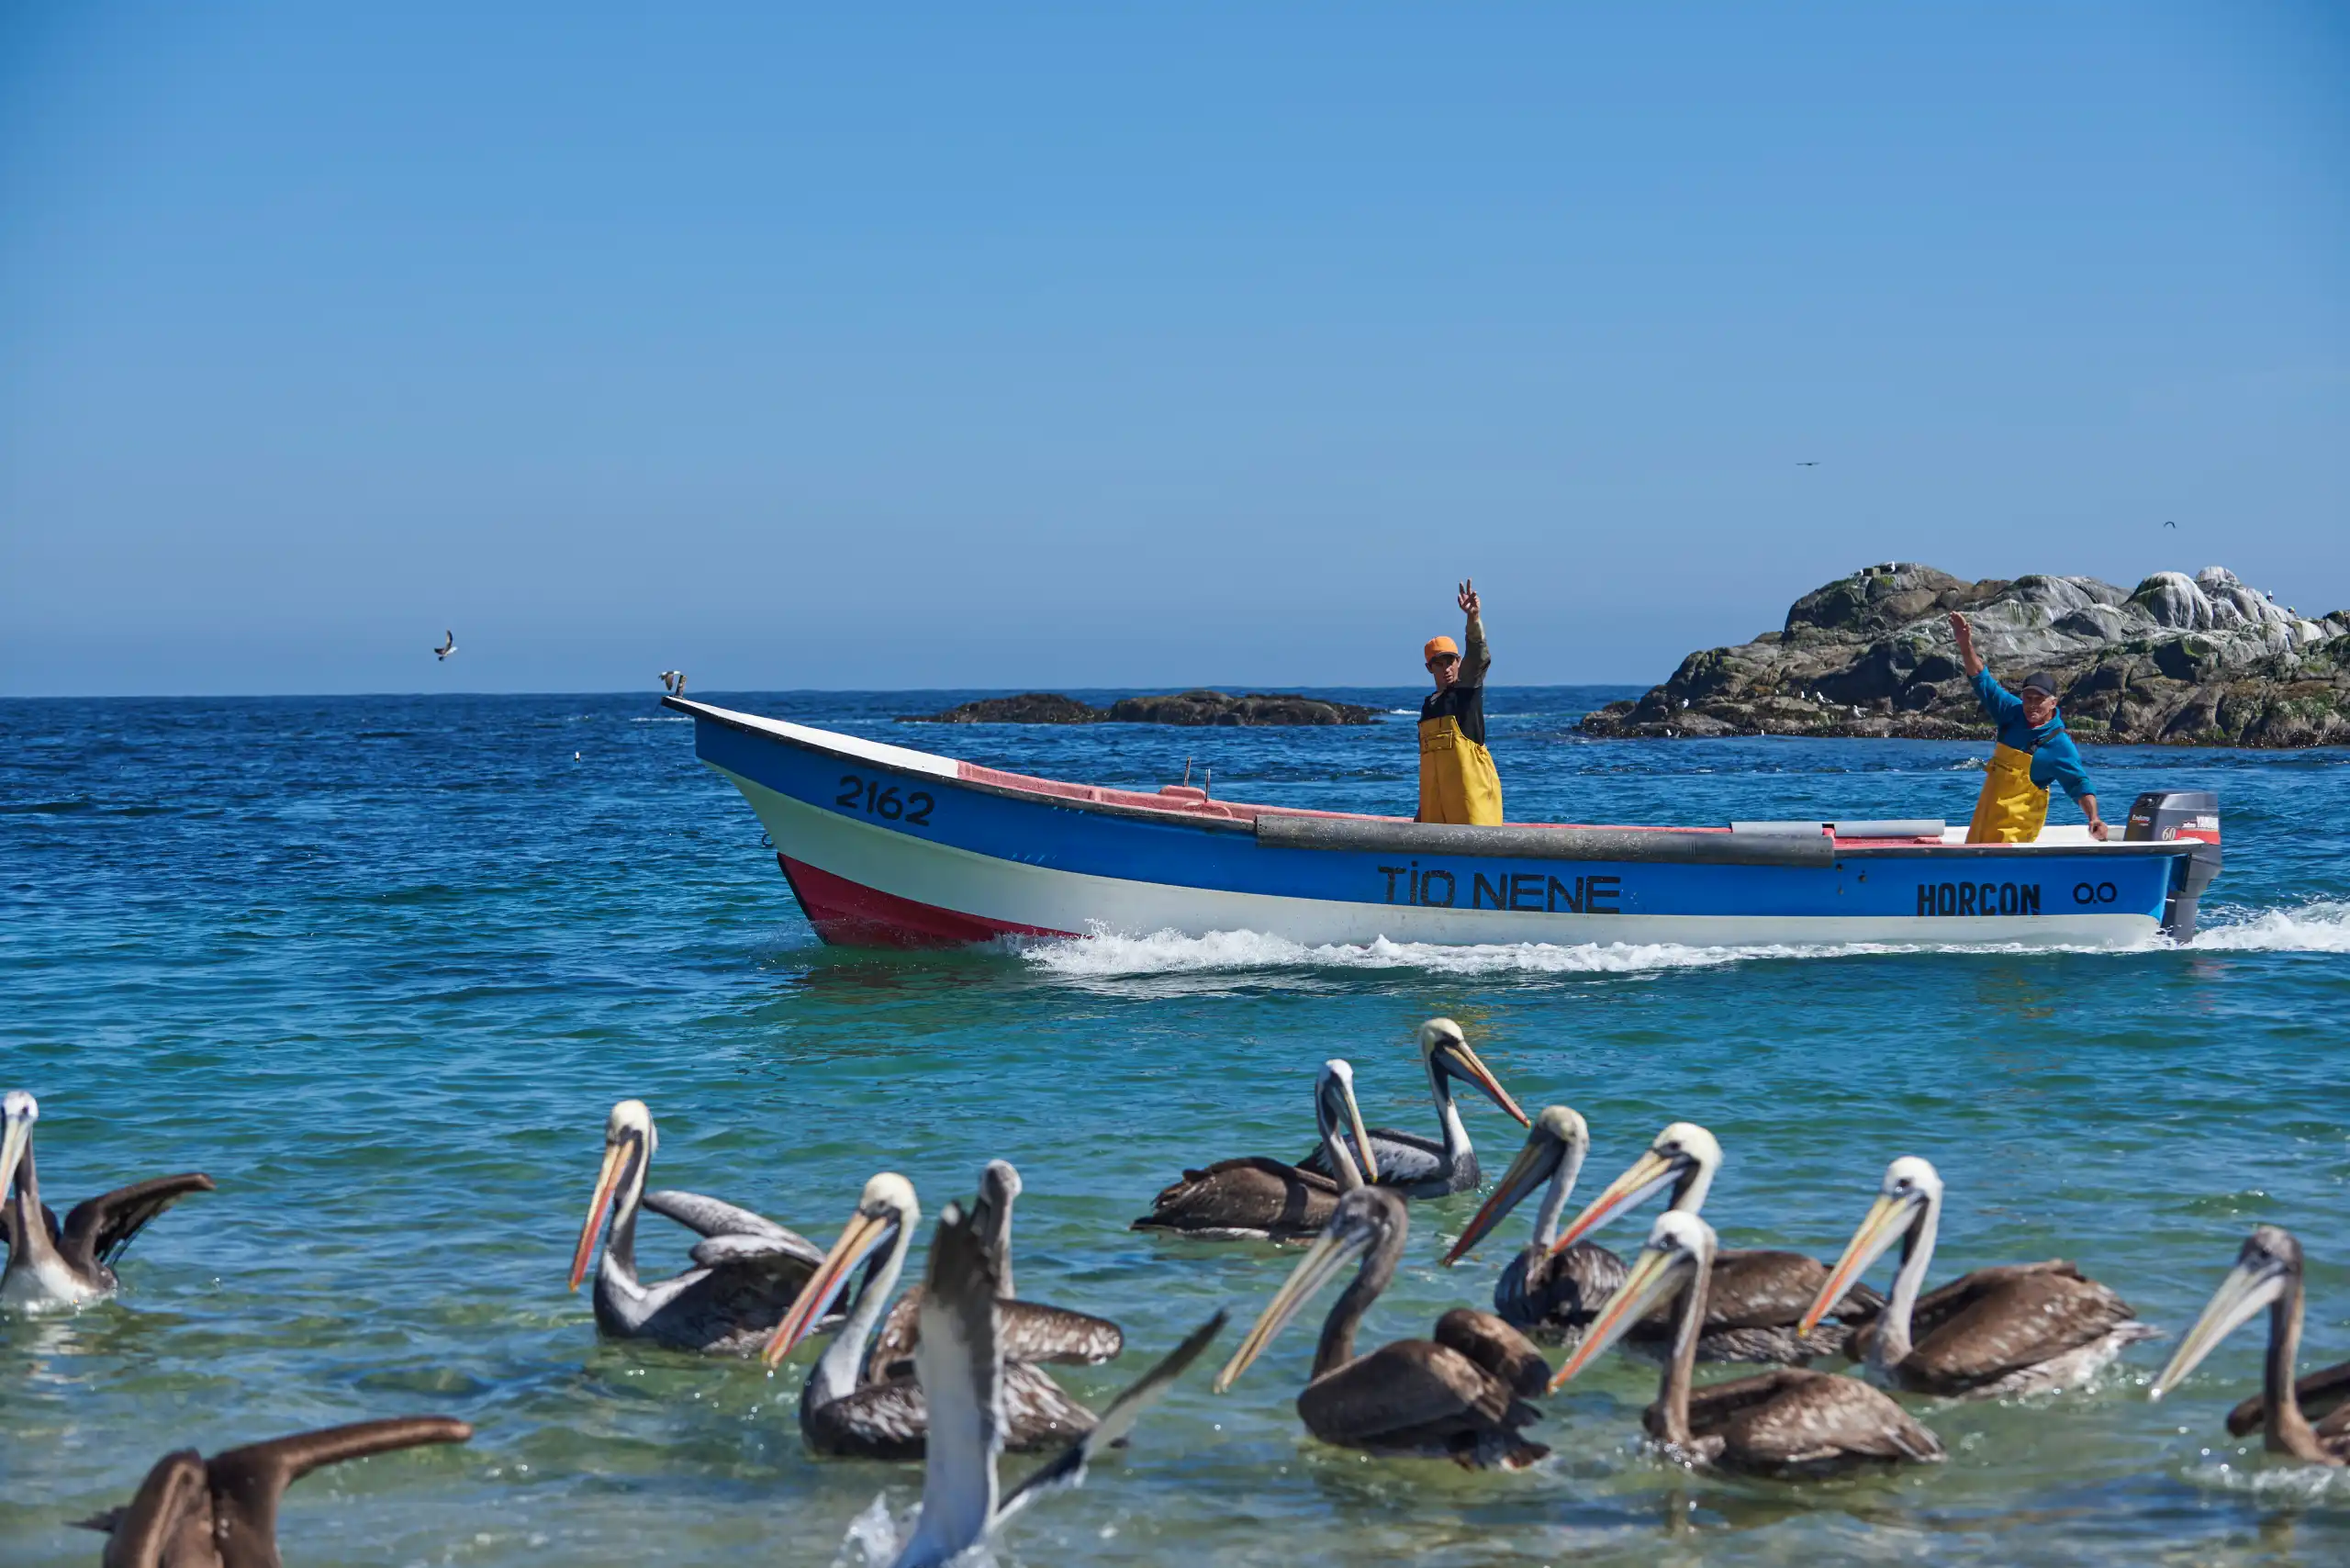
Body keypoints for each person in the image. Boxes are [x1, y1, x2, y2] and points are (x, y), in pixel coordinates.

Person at [1948, 611, 2108, 844]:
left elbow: (2079, 785)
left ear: (2053, 703)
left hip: (2015, 838)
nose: (2031, 705)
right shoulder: (2011, 711)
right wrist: (1965, 645)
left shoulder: (2059, 745)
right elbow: (1981, 679)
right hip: (1983, 827)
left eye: (2039, 699)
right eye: (2028, 698)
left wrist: (2094, 818)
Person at [1418, 579, 1503, 825]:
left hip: (1472, 804)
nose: (1446, 669)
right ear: (1429, 668)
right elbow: (1429, 766)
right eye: (1438, 664)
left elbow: (1478, 655)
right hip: (1436, 809)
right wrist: (1420, 814)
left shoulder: (1467, 692)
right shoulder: (1428, 708)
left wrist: (1473, 618)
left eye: (1451, 661)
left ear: (1459, 662)